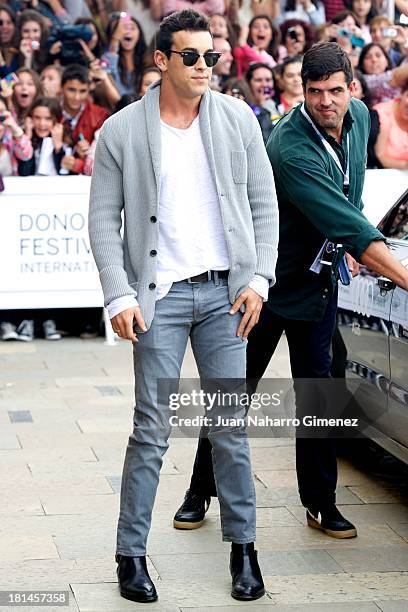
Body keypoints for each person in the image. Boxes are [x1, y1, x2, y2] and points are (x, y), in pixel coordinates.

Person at [173, 41, 408, 541]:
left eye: (336, 91)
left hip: (315, 287)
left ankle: (321, 503)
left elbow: (352, 193)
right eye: (316, 92)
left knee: (320, 394)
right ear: (300, 90)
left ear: (353, 88)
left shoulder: (361, 117)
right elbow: (350, 224)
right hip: (262, 284)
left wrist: (341, 238)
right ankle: (199, 489)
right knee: (234, 391)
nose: (327, 102)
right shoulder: (289, 147)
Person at [88, 8, 279, 604]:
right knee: (151, 430)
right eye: (192, 57)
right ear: (162, 60)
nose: (205, 67)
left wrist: (259, 280)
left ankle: (243, 550)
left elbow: (264, 205)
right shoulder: (120, 132)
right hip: (160, 298)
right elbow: (101, 223)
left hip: (228, 295)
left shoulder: (237, 119)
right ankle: (131, 554)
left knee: (230, 428)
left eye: (212, 57)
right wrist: (119, 292)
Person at [60, 63, 109, 175]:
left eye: (82, 91)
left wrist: (85, 155)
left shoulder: (100, 115)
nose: (77, 97)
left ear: (89, 90)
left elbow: (102, 161)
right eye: (71, 90)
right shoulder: (51, 111)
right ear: (61, 87)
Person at [373, 79, 408, 169]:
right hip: (383, 174)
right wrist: (404, 165)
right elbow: (380, 156)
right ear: (401, 93)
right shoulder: (381, 113)